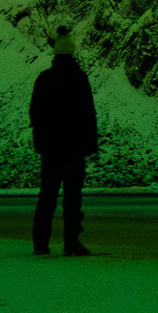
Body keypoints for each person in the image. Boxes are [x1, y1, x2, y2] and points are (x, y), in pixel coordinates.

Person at [28, 21, 99, 256]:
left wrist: (40, 141)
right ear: (71, 51)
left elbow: (35, 113)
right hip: (73, 148)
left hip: (50, 148)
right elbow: (89, 114)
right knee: (72, 197)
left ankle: (40, 243)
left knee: (47, 195)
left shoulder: (44, 79)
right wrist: (90, 144)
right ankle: (71, 242)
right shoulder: (79, 79)